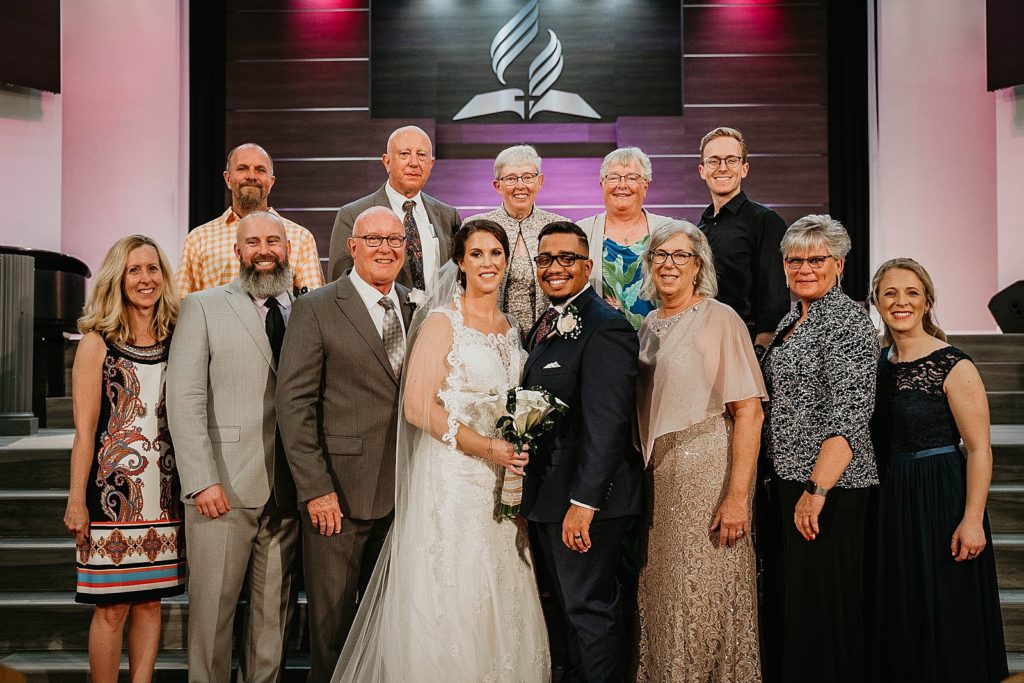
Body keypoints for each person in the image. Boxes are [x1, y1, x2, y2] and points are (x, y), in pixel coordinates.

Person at [332, 220, 550, 682]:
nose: (487, 262)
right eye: (477, 254)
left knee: (501, 591)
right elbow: (417, 407)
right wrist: (486, 447)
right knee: (452, 591)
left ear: (507, 261)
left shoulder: (512, 328)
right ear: (460, 263)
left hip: (500, 482)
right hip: (453, 479)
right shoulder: (441, 322)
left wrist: (510, 450)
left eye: (495, 253)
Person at [276, 207, 415, 683]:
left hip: (406, 495)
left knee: (388, 627)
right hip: (338, 495)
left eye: (394, 240)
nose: (385, 248)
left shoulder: (416, 307)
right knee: (332, 630)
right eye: (373, 239)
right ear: (352, 247)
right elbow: (294, 406)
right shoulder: (316, 307)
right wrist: (315, 488)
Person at [167, 211, 299, 683]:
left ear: (288, 247)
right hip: (221, 489)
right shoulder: (202, 306)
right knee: (212, 621)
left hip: (289, 492)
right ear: (237, 251)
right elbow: (183, 397)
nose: (264, 250)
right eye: (253, 242)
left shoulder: (308, 308)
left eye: (273, 241)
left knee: (271, 626)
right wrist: (201, 479)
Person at [635, 221, 766, 681]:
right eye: (660, 255)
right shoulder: (650, 324)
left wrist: (736, 497)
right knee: (666, 594)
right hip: (660, 476)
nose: (669, 264)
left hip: (707, 472)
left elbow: (749, 412)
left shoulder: (719, 317)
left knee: (704, 593)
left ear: (698, 266)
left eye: (680, 256)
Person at [868, 258, 1008, 682]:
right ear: (876, 301)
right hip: (891, 496)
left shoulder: (954, 365)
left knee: (946, 608)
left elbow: (980, 449)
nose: (900, 301)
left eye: (911, 292)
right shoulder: (875, 364)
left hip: (941, 495)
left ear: (927, 301)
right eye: (890, 292)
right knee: (901, 607)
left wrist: (972, 520)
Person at [520, 221, 642, 683]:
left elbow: (607, 424)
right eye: (545, 259)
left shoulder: (606, 326)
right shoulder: (545, 323)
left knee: (590, 613)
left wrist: (584, 503)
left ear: (588, 266)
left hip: (588, 501)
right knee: (569, 615)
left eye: (566, 259)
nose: (555, 268)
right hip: (550, 498)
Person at [759, 214, 879, 683]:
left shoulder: (847, 322)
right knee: (800, 604)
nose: (804, 268)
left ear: (840, 264)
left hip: (831, 487)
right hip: (791, 480)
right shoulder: (794, 317)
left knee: (824, 609)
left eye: (816, 259)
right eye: (795, 259)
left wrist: (817, 489)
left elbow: (849, 417)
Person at [63, 234, 185, 683]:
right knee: (112, 608)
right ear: (119, 277)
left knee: (151, 601)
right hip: (111, 496)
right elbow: (84, 431)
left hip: (165, 495)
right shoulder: (97, 343)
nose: (145, 278)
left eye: (152, 269)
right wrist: (76, 500)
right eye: (135, 270)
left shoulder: (177, 337)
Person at [175, 142, 324, 297]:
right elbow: (181, 305)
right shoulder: (198, 239)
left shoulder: (301, 238)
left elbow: (313, 307)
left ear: (271, 182)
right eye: (242, 168)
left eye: (260, 170)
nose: (251, 176)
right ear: (227, 178)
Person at [327, 125, 461, 290]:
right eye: (404, 154)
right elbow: (340, 283)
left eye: (421, 155)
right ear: (387, 162)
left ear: (431, 163)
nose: (414, 163)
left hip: (437, 314)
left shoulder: (448, 216)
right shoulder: (353, 214)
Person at [696, 127, 789, 350]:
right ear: (702, 170)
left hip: (745, 342)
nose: (722, 168)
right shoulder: (700, 228)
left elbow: (774, 294)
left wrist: (762, 350)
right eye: (714, 161)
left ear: (744, 168)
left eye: (731, 160)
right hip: (704, 340)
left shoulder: (765, 221)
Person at [463, 145, 568, 340]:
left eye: (528, 177)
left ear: (540, 181)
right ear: (497, 186)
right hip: (489, 336)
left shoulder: (561, 227)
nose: (520, 185)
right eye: (511, 178)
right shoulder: (475, 227)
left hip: (551, 339)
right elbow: (462, 287)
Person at [578, 147, 674, 330]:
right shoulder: (582, 232)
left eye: (631, 178)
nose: (622, 185)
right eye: (613, 177)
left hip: (662, 341)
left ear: (645, 185)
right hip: (602, 342)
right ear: (602, 185)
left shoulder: (668, 230)